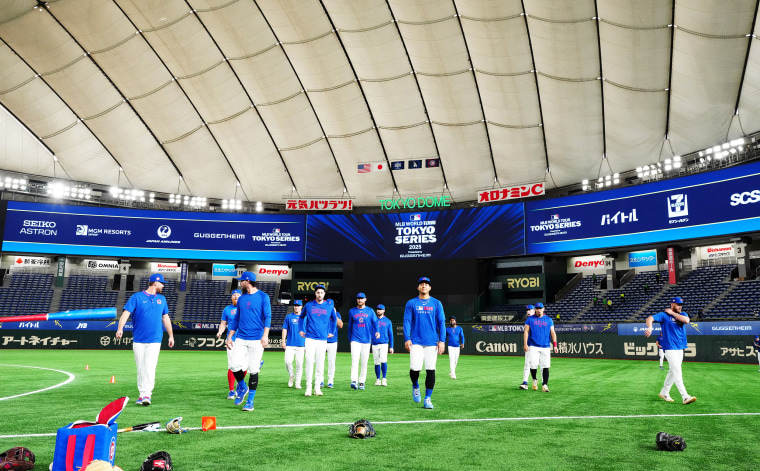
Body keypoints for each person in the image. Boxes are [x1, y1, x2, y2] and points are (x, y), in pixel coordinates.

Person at [116, 273, 175, 406]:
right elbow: (126, 313)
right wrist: (120, 328)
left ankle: (147, 394)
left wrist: (171, 335)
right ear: (155, 283)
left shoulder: (162, 299)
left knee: (150, 366)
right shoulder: (136, 297)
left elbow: (165, 318)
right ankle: (141, 394)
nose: (163, 286)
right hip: (138, 339)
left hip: (155, 339)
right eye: (162, 283)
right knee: (141, 367)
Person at [225, 271, 272, 412]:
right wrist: (229, 337)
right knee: (234, 365)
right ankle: (243, 387)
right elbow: (236, 319)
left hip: (257, 338)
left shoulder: (263, 297)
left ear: (248, 281)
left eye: (241, 281)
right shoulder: (242, 299)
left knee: (253, 369)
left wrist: (265, 335)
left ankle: (250, 402)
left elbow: (268, 317)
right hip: (240, 337)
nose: (240, 283)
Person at [644, 296, 696, 405]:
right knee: (677, 370)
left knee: (673, 370)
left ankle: (664, 392)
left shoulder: (683, 314)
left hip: (680, 347)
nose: (680, 307)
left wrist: (672, 314)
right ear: (672, 305)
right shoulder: (663, 315)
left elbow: (686, 321)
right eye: (678, 304)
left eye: (681, 305)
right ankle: (685, 396)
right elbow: (649, 318)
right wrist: (650, 327)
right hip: (669, 347)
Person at [403, 276, 445, 409]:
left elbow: (441, 322)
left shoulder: (436, 303)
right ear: (418, 287)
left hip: (432, 341)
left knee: (430, 369)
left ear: (430, 287)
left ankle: (428, 398)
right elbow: (407, 321)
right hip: (416, 340)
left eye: (426, 284)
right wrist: (407, 338)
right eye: (421, 284)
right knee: (415, 368)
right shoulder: (411, 303)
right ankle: (415, 384)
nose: (424, 286)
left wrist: (442, 341)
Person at [300, 284, 340, 397]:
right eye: (318, 292)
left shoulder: (329, 306)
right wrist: (300, 329)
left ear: (324, 294)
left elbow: (334, 319)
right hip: (310, 338)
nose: (319, 294)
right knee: (308, 361)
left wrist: (332, 331)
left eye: (321, 292)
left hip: (322, 339)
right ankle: (308, 387)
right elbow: (301, 317)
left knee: (320, 362)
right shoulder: (308, 305)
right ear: (315, 294)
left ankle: (317, 387)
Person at [348, 292, 380, 390]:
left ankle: (362, 382)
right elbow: (350, 326)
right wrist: (350, 338)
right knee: (354, 361)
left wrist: (377, 331)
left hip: (366, 339)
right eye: (358, 298)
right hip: (355, 339)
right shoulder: (352, 311)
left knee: (364, 362)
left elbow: (375, 322)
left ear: (365, 299)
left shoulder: (370, 311)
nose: (360, 300)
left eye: (362, 298)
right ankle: (354, 381)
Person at [523, 302, 558, 392]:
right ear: (535, 310)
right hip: (533, 346)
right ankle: (534, 379)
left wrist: (555, 345)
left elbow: (553, 332)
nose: (539, 310)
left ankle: (544, 385)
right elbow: (526, 331)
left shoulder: (549, 319)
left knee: (545, 366)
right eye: (537, 308)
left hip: (545, 346)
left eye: (540, 308)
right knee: (533, 365)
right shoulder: (530, 319)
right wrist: (525, 344)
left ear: (543, 309)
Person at [215, 289, 243, 399]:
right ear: (231, 297)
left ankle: (240, 385)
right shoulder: (227, 309)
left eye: (238, 295)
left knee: (243, 366)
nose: (236, 296)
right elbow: (223, 323)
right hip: (231, 340)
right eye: (234, 295)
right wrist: (220, 331)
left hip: (245, 339)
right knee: (232, 365)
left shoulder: (245, 307)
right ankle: (232, 391)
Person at [282, 300, 305, 389]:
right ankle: (291, 375)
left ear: (301, 307)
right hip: (290, 344)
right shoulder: (289, 317)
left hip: (301, 344)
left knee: (299, 364)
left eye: (298, 305)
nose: (296, 307)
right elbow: (284, 329)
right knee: (287, 361)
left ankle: (298, 383)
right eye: (295, 305)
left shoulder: (305, 317)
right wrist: (283, 341)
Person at [372, 304, 394, 386]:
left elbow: (391, 334)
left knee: (383, 360)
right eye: (377, 309)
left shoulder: (387, 321)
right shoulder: (373, 320)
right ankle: (378, 379)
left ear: (384, 310)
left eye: (380, 309)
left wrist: (391, 346)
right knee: (376, 362)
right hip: (374, 343)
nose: (378, 310)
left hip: (384, 344)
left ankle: (384, 379)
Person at [324, 298, 341, 388]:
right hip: (322, 340)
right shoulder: (323, 313)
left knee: (331, 362)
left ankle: (330, 380)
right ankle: (320, 380)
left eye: (331, 305)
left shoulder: (337, 314)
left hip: (333, 341)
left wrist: (335, 315)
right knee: (320, 361)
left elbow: (341, 325)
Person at [519, 304, 536, 390]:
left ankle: (544, 383)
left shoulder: (540, 319)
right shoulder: (528, 320)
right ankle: (525, 382)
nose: (528, 311)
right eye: (527, 310)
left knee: (541, 365)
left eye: (530, 310)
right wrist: (525, 344)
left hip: (540, 346)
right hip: (530, 345)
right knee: (527, 363)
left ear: (534, 310)